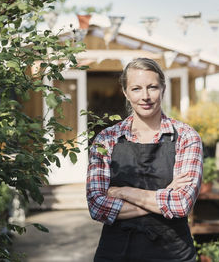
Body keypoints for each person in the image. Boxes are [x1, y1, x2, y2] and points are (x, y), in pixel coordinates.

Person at [86, 57, 203, 262]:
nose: (146, 96)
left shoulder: (186, 136)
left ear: (163, 89)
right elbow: (97, 206)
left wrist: (122, 192)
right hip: (116, 253)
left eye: (152, 87)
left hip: (173, 253)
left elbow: (181, 204)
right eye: (137, 89)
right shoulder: (106, 139)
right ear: (125, 92)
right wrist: (165, 196)